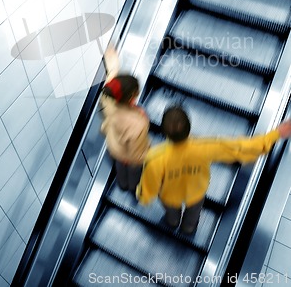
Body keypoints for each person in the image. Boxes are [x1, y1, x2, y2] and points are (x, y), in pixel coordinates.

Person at [136, 105, 291, 234]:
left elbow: (150, 185)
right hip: (196, 192)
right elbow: (240, 147)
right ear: (189, 128)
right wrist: (276, 134)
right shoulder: (205, 146)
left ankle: (172, 222)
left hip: (169, 196)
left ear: (164, 132)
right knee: (193, 215)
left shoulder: (155, 157)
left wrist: (143, 197)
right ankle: (189, 228)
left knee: (171, 214)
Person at [100, 46, 150, 191]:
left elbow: (111, 84)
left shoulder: (110, 107)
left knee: (122, 173)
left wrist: (112, 64)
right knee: (134, 175)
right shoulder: (138, 115)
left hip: (117, 152)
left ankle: (123, 185)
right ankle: (134, 188)